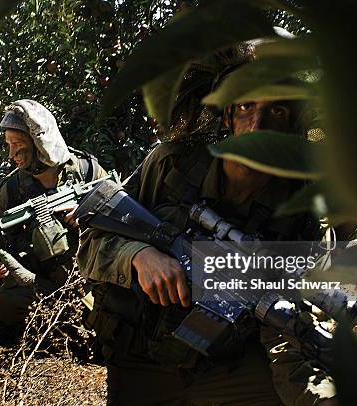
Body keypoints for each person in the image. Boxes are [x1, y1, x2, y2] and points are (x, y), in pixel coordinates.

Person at [76, 46, 337, 405]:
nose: (256, 126)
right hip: (142, 361)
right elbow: (89, 243)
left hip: (228, 365)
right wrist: (139, 256)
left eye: (275, 111)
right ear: (227, 116)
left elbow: (292, 322)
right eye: (246, 106)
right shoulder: (170, 167)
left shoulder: (299, 206)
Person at [0, 99, 107, 325]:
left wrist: (89, 214)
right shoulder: (11, 189)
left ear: (39, 143)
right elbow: (2, 242)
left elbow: (124, 215)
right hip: (42, 281)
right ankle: (62, 322)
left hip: (93, 274)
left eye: (18, 144)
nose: (11, 154)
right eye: (8, 144)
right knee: (6, 304)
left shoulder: (87, 170)